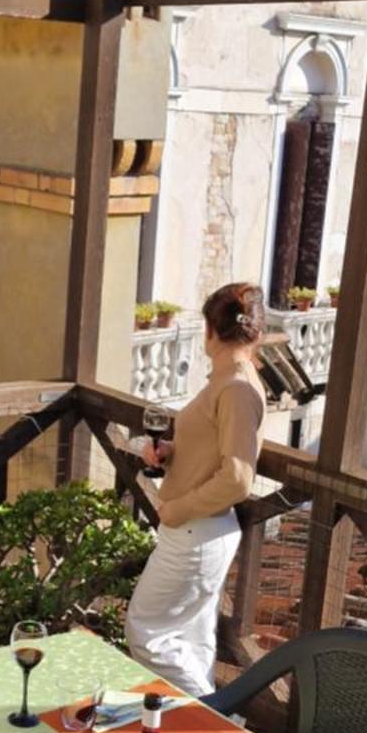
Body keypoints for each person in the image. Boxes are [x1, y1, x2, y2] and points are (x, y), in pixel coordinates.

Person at [125, 282, 267, 699]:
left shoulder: (236, 387)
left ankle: (213, 718)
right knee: (191, 639)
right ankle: (196, 728)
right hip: (199, 530)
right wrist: (171, 452)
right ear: (255, 333)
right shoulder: (229, 382)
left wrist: (178, 508)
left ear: (209, 331)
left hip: (195, 530)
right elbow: (215, 451)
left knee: (145, 632)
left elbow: (239, 477)